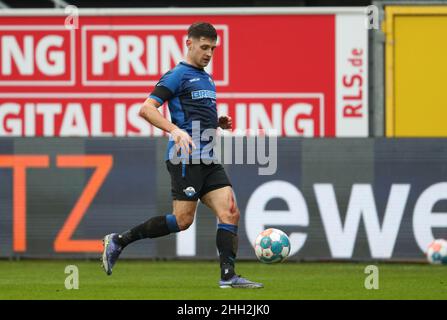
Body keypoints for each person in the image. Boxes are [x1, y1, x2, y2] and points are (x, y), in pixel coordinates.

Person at [101, 22, 263, 289]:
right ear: (189, 43)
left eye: (213, 48)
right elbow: (146, 109)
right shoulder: (177, 75)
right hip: (184, 158)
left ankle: (228, 277)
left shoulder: (207, 77)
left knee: (230, 212)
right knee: (183, 220)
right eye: (204, 47)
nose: (209, 53)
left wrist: (217, 122)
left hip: (208, 157)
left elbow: (195, 114)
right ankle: (119, 240)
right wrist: (174, 130)